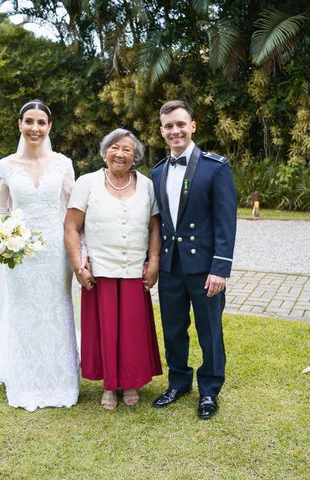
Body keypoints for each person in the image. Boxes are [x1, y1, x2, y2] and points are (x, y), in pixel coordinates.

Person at [0, 99, 80, 411]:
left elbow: (73, 213)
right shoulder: (4, 167)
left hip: (56, 252)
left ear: (49, 127)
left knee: (56, 311)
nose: (35, 128)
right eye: (29, 121)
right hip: (19, 255)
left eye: (41, 123)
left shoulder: (63, 163)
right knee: (24, 314)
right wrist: (0, 240)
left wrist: (81, 252)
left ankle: (60, 380)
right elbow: (0, 213)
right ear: (20, 124)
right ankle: (26, 381)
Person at [150, 100, 237, 420]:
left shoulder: (216, 167)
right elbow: (157, 222)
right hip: (172, 267)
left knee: (209, 330)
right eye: (169, 126)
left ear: (193, 126)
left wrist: (220, 268)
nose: (175, 131)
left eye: (180, 124)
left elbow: (226, 222)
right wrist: (154, 260)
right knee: (173, 329)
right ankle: (178, 382)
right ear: (162, 131)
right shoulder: (158, 170)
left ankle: (210, 390)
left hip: (204, 269)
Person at [64, 128, 162, 410]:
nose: (120, 153)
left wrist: (153, 262)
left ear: (136, 156)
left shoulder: (146, 185)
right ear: (105, 151)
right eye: (115, 147)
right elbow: (71, 226)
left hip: (134, 269)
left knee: (132, 330)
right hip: (100, 270)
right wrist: (77, 265)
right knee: (105, 329)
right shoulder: (88, 182)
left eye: (127, 149)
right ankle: (109, 385)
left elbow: (155, 226)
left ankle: (130, 381)